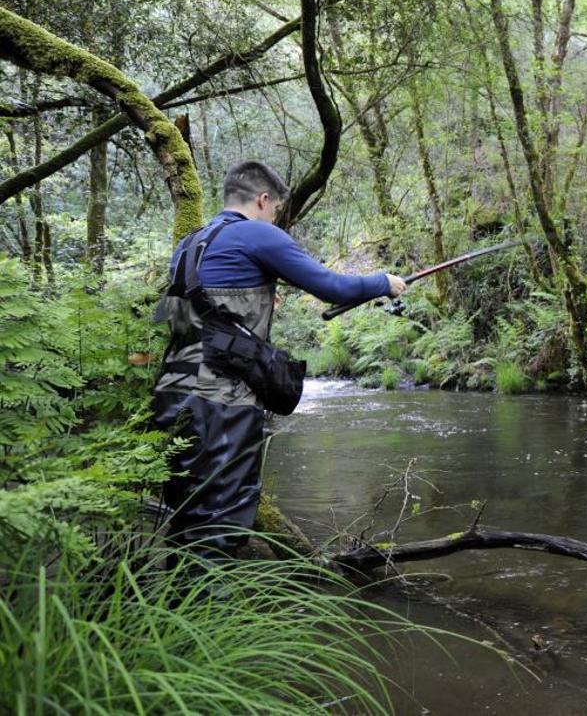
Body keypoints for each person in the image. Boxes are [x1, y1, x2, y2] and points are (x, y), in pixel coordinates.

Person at [153, 160, 406, 559]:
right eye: (275, 212)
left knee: (188, 516)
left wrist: (254, 295)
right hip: (221, 401)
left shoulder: (190, 245)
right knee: (221, 521)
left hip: (172, 395)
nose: (274, 220)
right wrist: (382, 283)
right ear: (263, 199)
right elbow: (331, 286)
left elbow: (187, 317)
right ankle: (211, 614)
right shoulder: (256, 233)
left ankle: (176, 614)